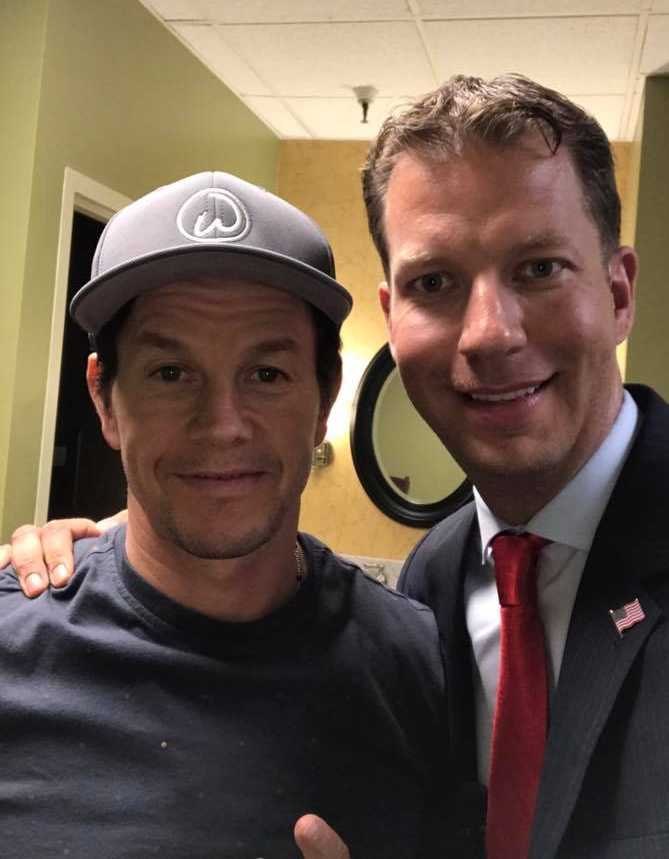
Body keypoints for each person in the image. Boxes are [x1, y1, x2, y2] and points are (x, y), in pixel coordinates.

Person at [6, 74, 669, 857]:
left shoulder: (400, 643)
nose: (489, 333)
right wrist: (125, 542)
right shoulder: (435, 591)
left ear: (619, 292)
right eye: (435, 282)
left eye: (539, 267)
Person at [0, 171, 462, 858]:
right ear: (104, 399)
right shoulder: (12, 644)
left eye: (266, 375)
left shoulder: (423, 665)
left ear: (324, 398)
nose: (222, 425)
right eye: (171, 373)